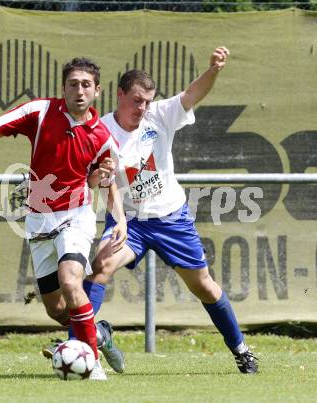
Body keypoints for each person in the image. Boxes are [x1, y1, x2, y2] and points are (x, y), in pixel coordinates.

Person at [0, 57, 127, 381]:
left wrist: (121, 221)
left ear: (97, 91)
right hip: (39, 220)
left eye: (86, 84)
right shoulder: (40, 111)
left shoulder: (102, 137)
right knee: (57, 310)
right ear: (63, 88)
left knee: (72, 281)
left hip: (76, 216)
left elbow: (105, 181)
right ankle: (99, 335)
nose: (79, 90)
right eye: (73, 84)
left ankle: (91, 363)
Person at [60, 47, 258, 374]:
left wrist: (214, 70)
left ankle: (241, 349)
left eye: (148, 101)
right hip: (131, 224)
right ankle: (79, 348)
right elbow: (100, 183)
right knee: (99, 267)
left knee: (204, 287)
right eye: (137, 100)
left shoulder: (159, 116)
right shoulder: (101, 130)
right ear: (120, 94)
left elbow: (192, 94)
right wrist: (99, 183)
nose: (143, 107)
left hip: (172, 219)